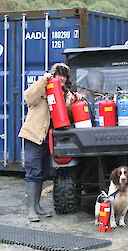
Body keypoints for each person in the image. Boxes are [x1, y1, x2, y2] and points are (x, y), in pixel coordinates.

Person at [18, 63, 82, 222]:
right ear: (52, 75)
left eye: (64, 75)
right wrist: (42, 81)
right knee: (33, 171)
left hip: (51, 139)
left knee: (43, 172)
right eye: (58, 74)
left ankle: (38, 207)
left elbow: (66, 114)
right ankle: (31, 210)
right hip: (35, 135)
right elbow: (28, 97)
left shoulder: (65, 93)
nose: (61, 78)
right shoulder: (42, 87)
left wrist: (75, 100)